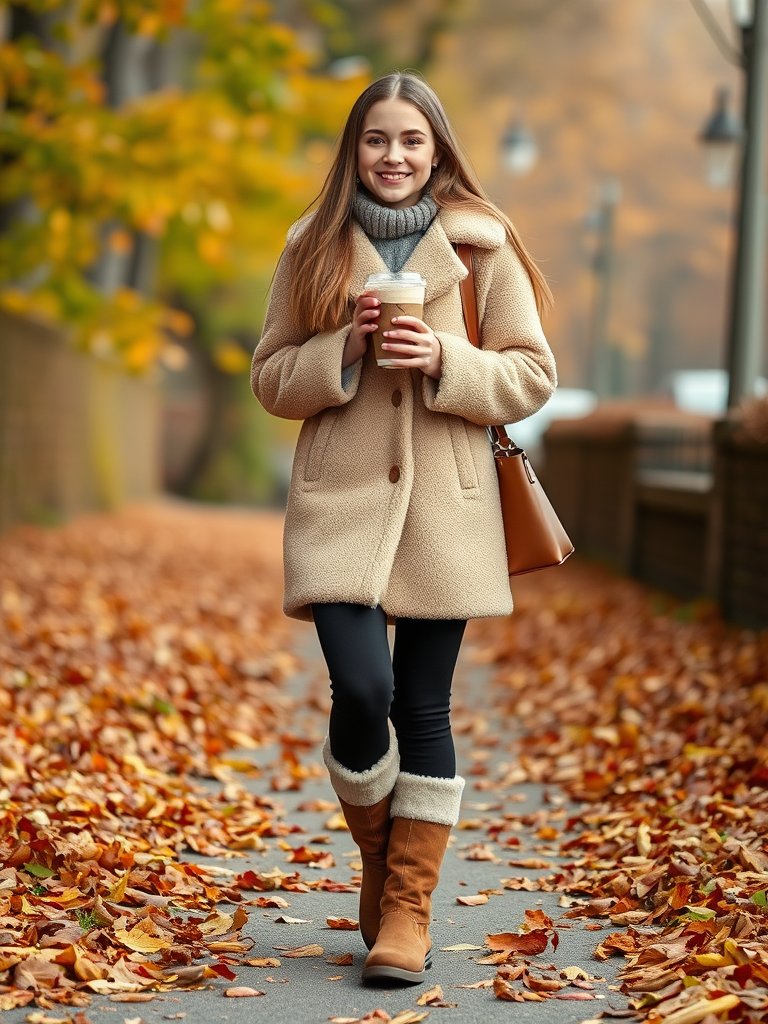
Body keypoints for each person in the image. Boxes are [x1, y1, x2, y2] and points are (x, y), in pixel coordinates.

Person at [251, 70, 556, 986]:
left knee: (424, 704)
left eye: (411, 141)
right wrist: (336, 349)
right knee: (363, 686)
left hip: (446, 509)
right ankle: (384, 864)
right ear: (355, 151)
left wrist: (447, 361)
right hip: (339, 504)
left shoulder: (485, 249)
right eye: (376, 140)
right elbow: (268, 376)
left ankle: (406, 909)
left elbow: (533, 375)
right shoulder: (310, 247)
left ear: (437, 151)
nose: (393, 156)